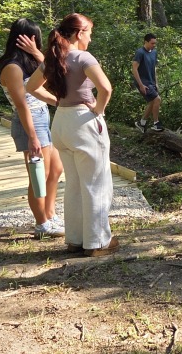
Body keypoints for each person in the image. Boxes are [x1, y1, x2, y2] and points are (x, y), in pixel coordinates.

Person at [26, 13, 118, 257]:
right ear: (79, 33)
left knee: (75, 184)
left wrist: (57, 101)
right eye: (89, 33)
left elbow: (30, 87)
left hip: (61, 123)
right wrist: (98, 110)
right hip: (84, 122)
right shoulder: (83, 57)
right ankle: (97, 242)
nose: (90, 38)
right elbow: (106, 87)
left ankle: (76, 239)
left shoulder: (54, 58)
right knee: (96, 183)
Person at [0, 19, 65, 239]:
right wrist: (33, 137)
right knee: (39, 175)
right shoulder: (12, 67)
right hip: (30, 122)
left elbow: (52, 75)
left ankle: (50, 213)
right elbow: (22, 104)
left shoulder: (29, 63)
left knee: (55, 170)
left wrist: (37, 53)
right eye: (36, 37)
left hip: (42, 117)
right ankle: (41, 223)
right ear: (27, 38)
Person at [131, 33, 163, 133]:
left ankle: (142, 123)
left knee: (152, 101)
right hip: (143, 82)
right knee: (157, 99)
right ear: (146, 42)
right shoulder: (140, 53)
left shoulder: (154, 52)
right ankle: (156, 123)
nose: (154, 45)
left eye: (155, 43)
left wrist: (156, 82)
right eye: (152, 43)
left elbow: (154, 67)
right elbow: (134, 69)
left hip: (151, 81)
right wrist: (140, 84)